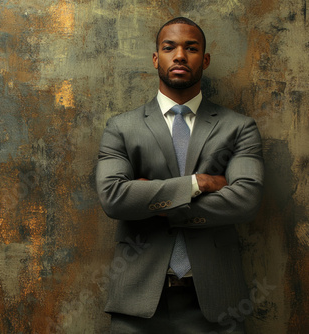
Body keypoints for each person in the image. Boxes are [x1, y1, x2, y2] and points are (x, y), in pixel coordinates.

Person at [96, 17, 264, 333]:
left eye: (191, 48)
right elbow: (115, 199)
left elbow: (246, 200)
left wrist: (150, 201)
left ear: (205, 59)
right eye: (169, 47)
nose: (180, 56)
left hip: (217, 305)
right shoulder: (121, 127)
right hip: (137, 305)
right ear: (156, 58)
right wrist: (196, 184)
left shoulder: (238, 127)